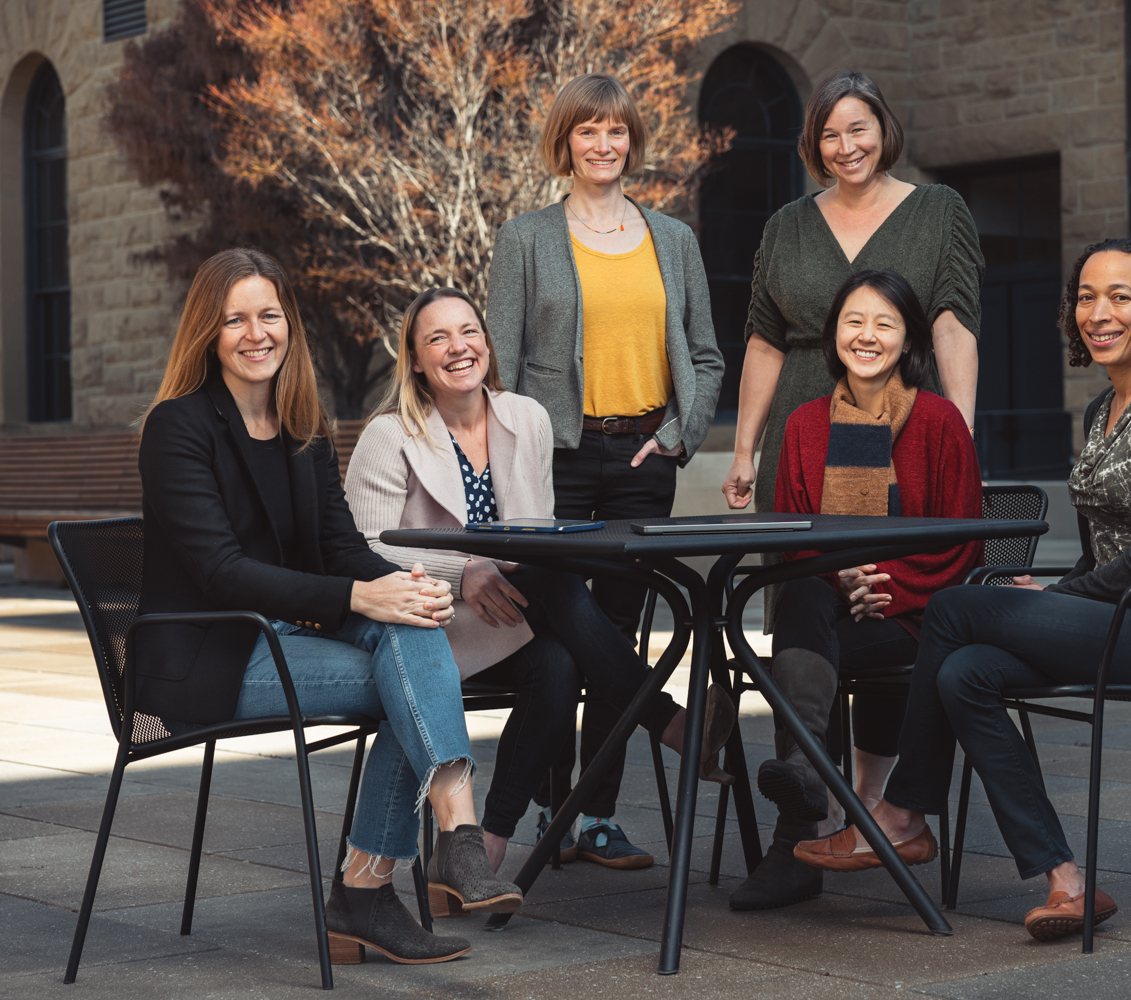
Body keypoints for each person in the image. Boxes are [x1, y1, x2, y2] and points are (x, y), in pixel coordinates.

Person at [794, 239, 1131, 944]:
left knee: (950, 607)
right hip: (1112, 618)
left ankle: (903, 814)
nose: (1100, 312)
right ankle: (1066, 881)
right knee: (966, 673)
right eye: (1086, 297)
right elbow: (1104, 550)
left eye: (1120, 296)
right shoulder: (1102, 411)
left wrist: (1065, 596)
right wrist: (1054, 592)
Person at [137, 248, 524, 966]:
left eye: (270, 316)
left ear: (290, 325)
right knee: (409, 671)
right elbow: (222, 573)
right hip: (208, 655)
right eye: (236, 320)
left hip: (289, 630)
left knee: (412, 626)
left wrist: (398, 585)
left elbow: (342, 548)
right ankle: (391, 874)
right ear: (208, 333)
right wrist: (358, 596)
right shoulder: (177, 429)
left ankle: (428, 853)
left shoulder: (300, 425)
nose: (257, 334)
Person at [345, 286, 733, 876]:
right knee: (552, 583)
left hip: (505, 617)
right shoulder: (388, 435)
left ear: (487, 341)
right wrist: (462, 572)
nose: (458, 347)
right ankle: (670, 721)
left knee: (556, 659)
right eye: (437, 339)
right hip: (425, 629)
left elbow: (538, 533)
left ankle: (486, 849)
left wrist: (499, 570)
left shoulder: (526, 419)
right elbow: (365, 552)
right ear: (416, 361)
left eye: (469, 331)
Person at [487, 72, 725, 864]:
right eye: (587, 131)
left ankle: (589, 819)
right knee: (559, 614)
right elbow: (503, 366)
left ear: (632, 140)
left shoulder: (674, 239)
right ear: (566, 142)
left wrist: (681, 433)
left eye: (616, 131)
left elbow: (703, 353)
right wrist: (513, 453)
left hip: (642, 456)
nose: (603, 144)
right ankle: (660, 725)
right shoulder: (525, 238)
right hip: (554, 454)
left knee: (617, 629)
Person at [729, 270, 983, 911]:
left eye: (884, 323)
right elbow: (794, 540)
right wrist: (840, 578)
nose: (866, 336)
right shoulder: (805, 425)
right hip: (829, 614)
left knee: (798, 627)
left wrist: (886, 584)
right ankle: (811, 787)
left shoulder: (939, 420)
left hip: (911, 620)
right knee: (806, 596)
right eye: (853, 321)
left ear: (908, 339)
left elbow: (964, 542)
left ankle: (794, 843)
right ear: (832, 332)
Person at [721, 69, 984, 518]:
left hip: (907, 425)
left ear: (883, 127)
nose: (846, 148)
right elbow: (765, 344)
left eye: (858, 129)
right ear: (814, 146)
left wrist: (961, 440)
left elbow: (953, 331)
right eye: (829, 136)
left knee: (902, 571)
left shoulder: (939, 211)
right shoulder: (785, 226)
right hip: (800, 426)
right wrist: (744, 450)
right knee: (802, 577)